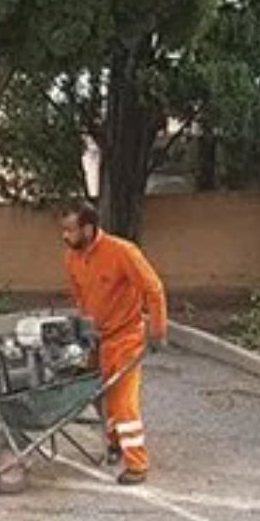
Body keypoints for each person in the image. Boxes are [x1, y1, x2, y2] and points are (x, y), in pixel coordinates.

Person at [59, 200, 168, 485]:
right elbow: (80, 298)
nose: (65, 236)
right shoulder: (72, 258)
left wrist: (157, 330)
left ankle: (137, 465)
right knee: (96, 394)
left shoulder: (122, 252)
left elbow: (153, 288)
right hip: (97, 337)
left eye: (70, 230)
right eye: (63, 230)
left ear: (88, 228)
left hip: (126, 337)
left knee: (122, 400)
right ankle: (114, 442)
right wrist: (84, 333)